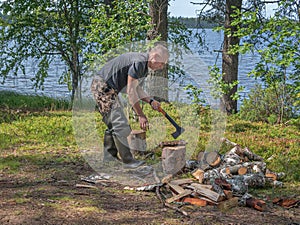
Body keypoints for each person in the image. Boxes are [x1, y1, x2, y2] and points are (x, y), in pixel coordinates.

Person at [91, 44, 169, 169]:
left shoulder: (143, 65)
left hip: (108, 87)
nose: (161, 67)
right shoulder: (139, 62)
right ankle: (128, 161)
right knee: (119, 124)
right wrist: (140, 115)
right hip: (102, 86)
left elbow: (137, 88)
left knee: (113, 122)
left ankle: (109, 158)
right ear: (154, 56)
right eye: (161, 63)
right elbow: (130, 91)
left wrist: (150, 100)